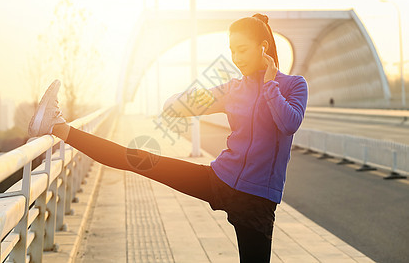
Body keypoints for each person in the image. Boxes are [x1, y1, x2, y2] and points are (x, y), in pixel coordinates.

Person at [28, 13, 308, 263]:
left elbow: (289, 124)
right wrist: (192, 97)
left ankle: (56, 125)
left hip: (257, 199)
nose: (236, 58)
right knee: (134, 159)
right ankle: (57, 126)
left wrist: (270, 85)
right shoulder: (233, 88)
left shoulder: (293, 85)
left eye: (243, 50)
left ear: (264, 47)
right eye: (232, 51)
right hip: (219, 179)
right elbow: (174, 107)